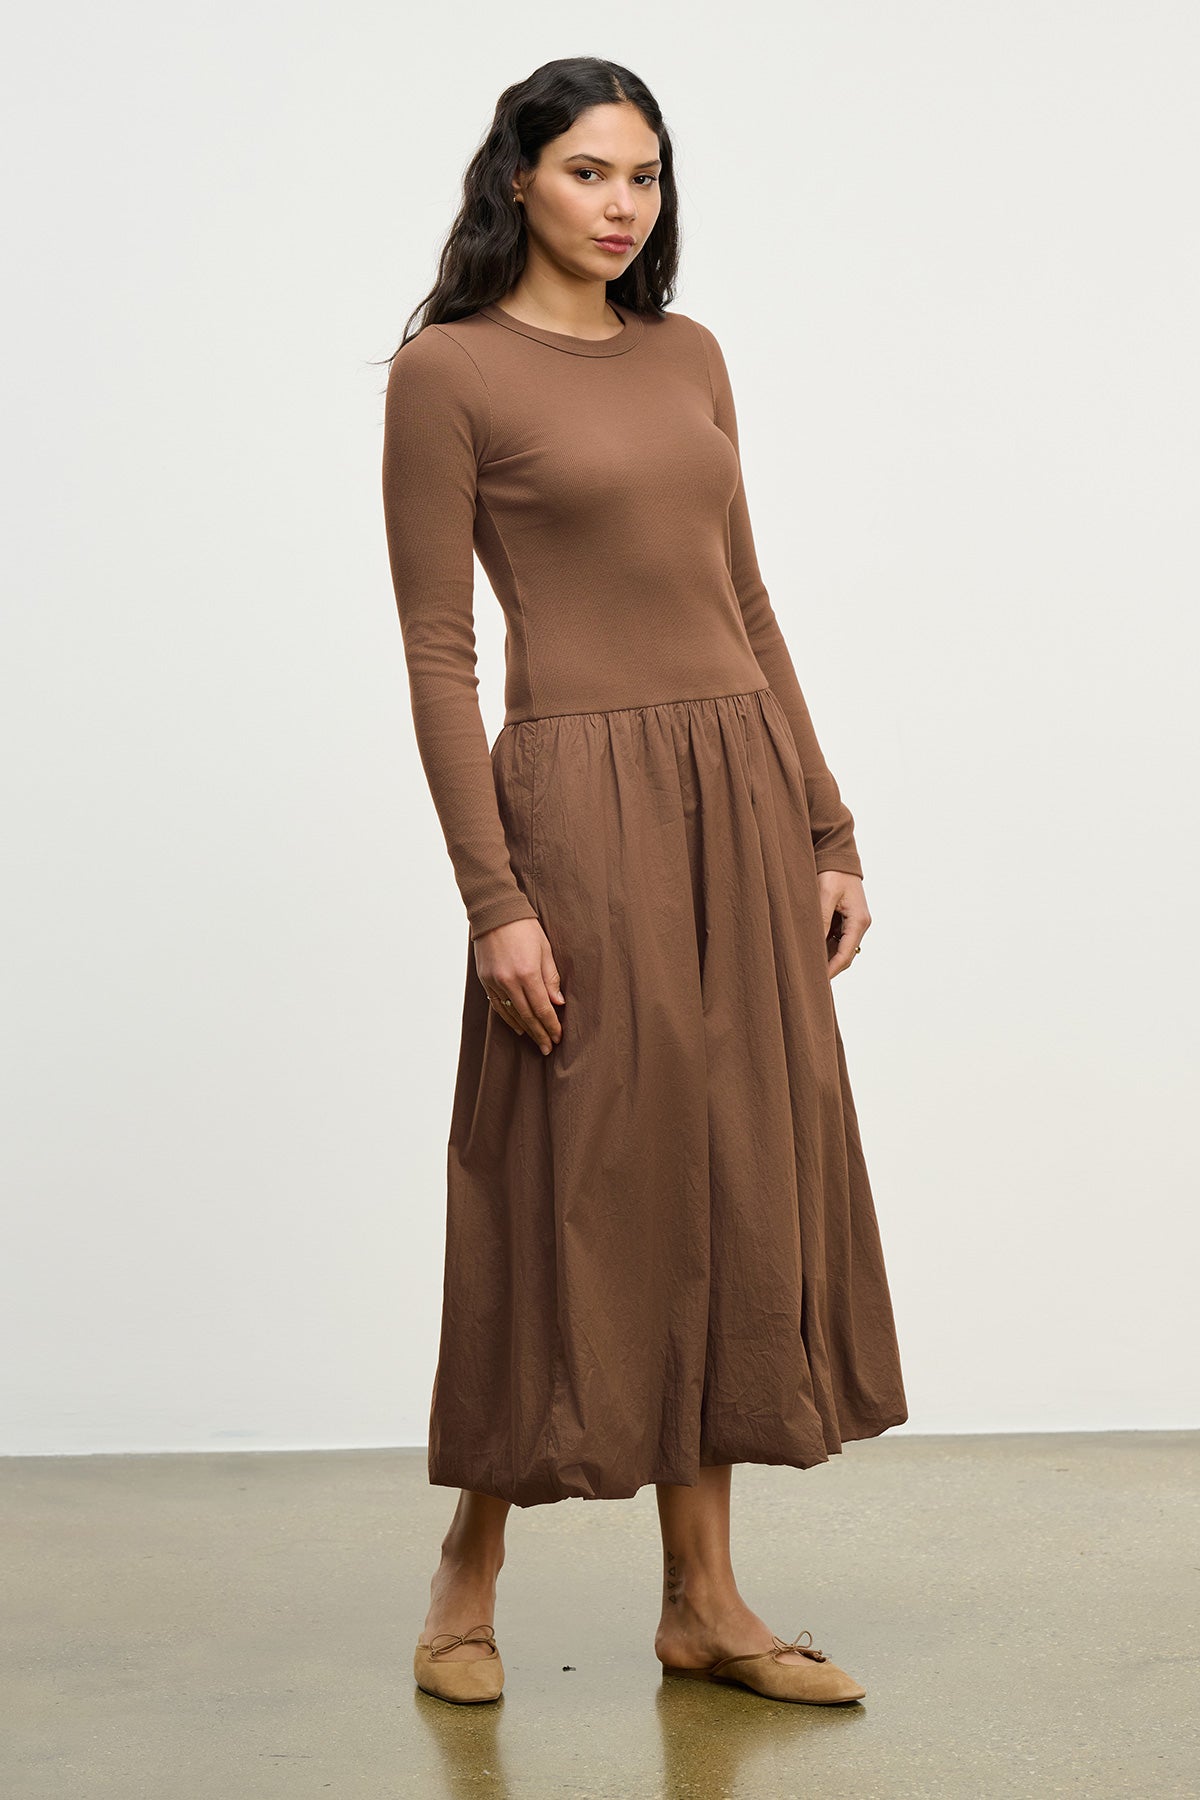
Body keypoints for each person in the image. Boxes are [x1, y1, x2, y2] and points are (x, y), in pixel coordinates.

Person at [380, 56, 908, 1708]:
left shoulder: (692, 356)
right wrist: (497, 898)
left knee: (734, 1171)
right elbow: (439, 651)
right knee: (576, 1176)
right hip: (581, 807)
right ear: (519, 178)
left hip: (737, 794)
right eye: (593, 173)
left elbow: (747, 603)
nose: (624, 207)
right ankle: (468, 1578)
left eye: (648, 179)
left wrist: (826, 824)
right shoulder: (447, 373)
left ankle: (705, 1602)